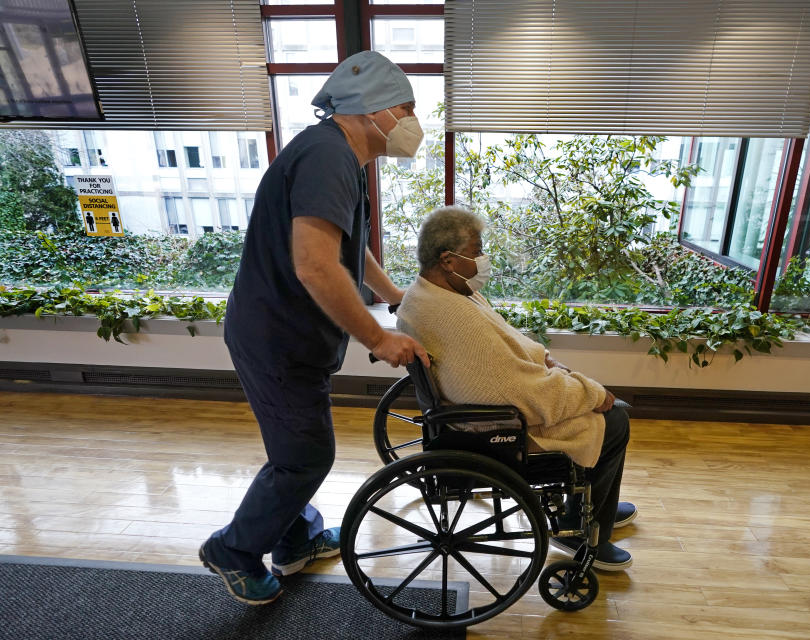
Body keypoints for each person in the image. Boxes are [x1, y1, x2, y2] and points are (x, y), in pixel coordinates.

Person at [199, 50, 430, 605]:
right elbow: (315, 265)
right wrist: (378, 338)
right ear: (368, 109)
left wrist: (396, 296)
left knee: (297, 444)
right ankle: (232, 550)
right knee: (303, 455)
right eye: (404, 108)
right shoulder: (327, 157)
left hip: (290, 335)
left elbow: (349, 248)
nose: (410, 123)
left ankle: (296, 539)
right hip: (275, 337)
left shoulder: (341, 156)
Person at [396, 206, 637, 571]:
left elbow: (506, 345)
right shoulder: (452, 313)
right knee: (615, 421)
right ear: (447, 259)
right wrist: (589, 393)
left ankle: (596, 504)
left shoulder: (433, 294)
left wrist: (546, 360)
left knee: (609, 412)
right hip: (494, 425)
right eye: (477, 252)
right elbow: (515, 390)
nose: (483, 260)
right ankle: (584, 527)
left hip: (472, 406)